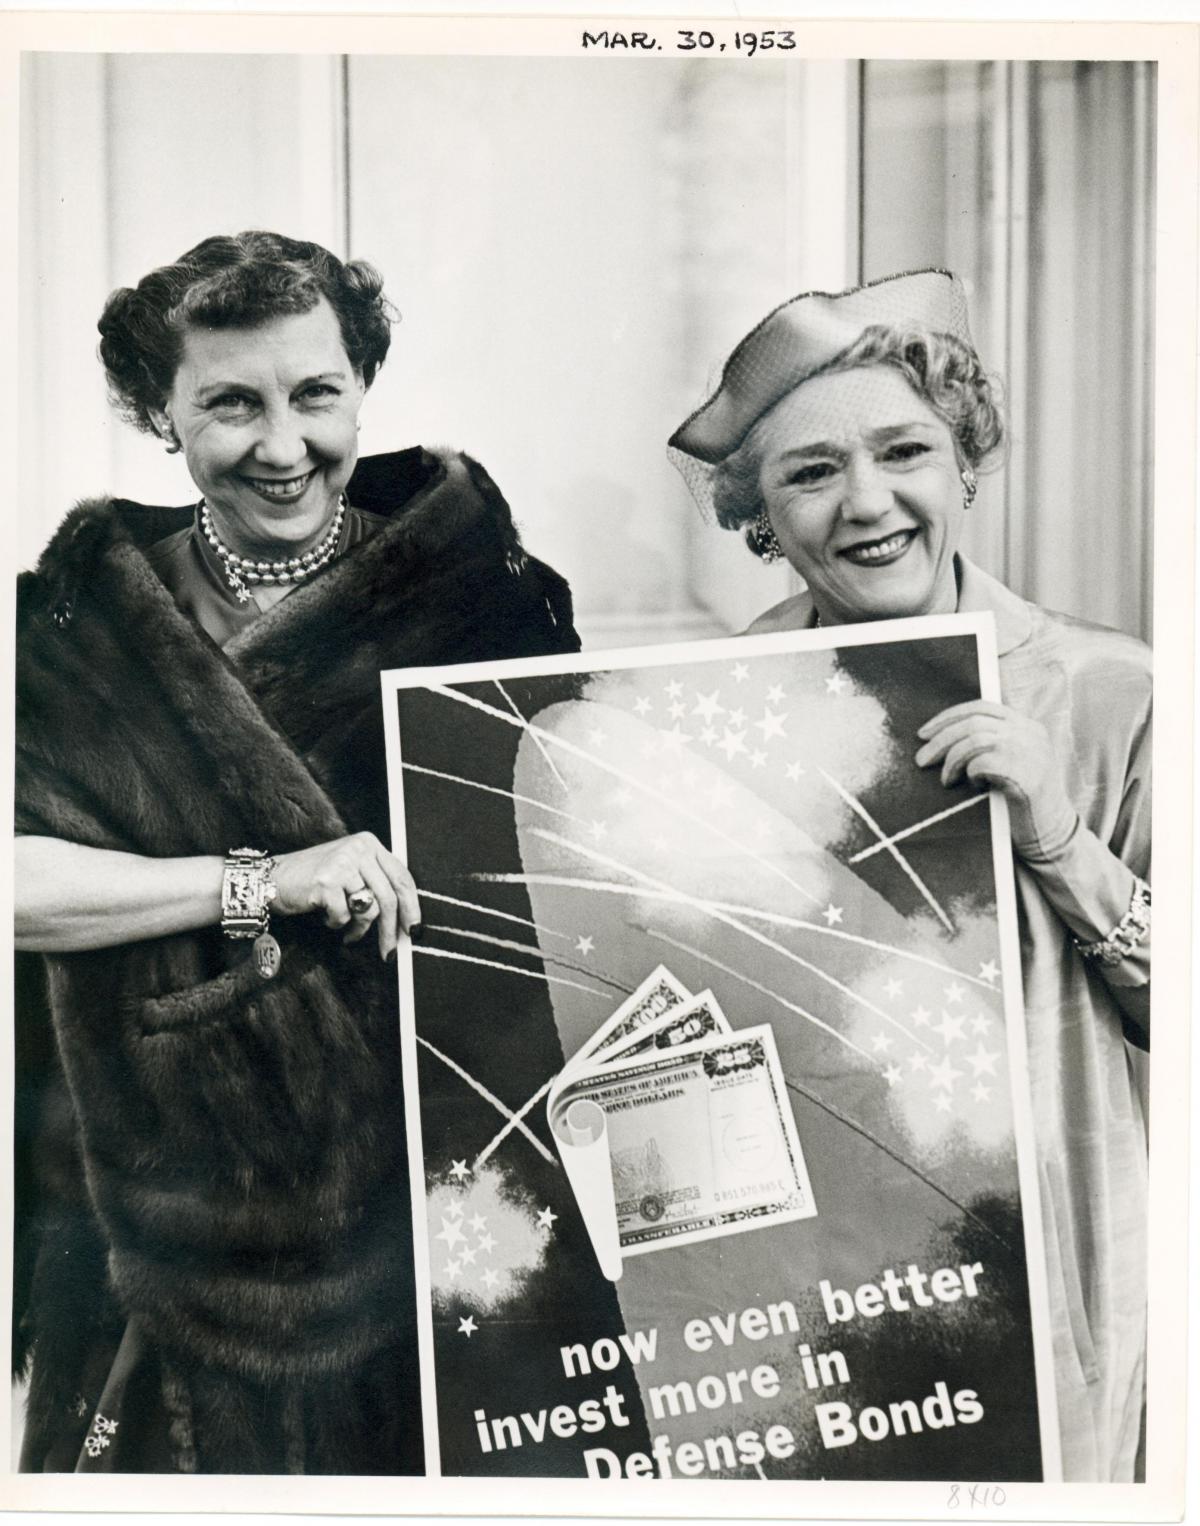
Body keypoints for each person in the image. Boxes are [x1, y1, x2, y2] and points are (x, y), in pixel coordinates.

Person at [13, 230, 581, 1473]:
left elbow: (571, 885)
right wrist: (263, 882)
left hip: (447, 1194)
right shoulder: (69, 627)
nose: (283, 447)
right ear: (158, 414)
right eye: (230, 402)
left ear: (362, 383)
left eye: (316, 393)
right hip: (161, 1213)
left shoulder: (488, 595)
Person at [667, 269, 1150, 1482]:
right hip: (806, 1285)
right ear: (759, 516)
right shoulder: (703, 716)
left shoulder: (1110, 692)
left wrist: (1059, 842)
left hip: (1059, 1267)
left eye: (904, 451)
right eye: (812, 472)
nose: (867, 502)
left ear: (967, 466)